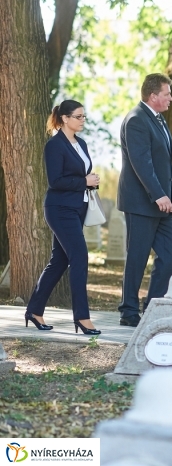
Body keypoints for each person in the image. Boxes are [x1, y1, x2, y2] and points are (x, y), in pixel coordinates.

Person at [25, 100, 101, 335]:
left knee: (59, 261)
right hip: (59, 209)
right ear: (65, 118)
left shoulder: (82, 144)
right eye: (78, 117)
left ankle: (34, 310)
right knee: (80, 255)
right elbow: (55, 181)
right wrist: (84, 182)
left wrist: (91, 181)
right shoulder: (54, 145)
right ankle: (82, 317)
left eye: (83, 117)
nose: (82, 121)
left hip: (78, 208)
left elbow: (81, 173)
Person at [117, 73, 172, 327]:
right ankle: (128, 311)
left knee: (169, 254)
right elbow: (141, 164)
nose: (171, 98)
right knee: (137, 257)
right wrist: (159, 195)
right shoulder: (136, 120)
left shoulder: (160, 121)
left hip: (162, 203)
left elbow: (166, 163)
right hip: (141, 203)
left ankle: (154, 305)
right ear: (153, 95)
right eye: (167, 93)